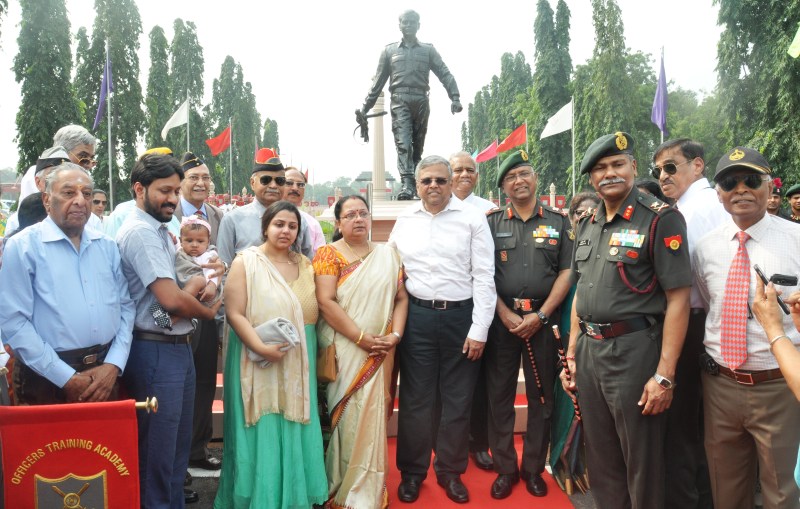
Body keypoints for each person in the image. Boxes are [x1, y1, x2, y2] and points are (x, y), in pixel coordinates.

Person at [561, 132, 692, 509]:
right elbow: (579, 291)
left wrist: (664, 374)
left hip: (633, 353)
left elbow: (678, 299)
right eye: (600, 169)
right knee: (601, 458)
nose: (610, 174)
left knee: (643, 461)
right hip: (588, 350)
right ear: (590, 179)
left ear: (633, 167)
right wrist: (571, 353)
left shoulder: (660, 219)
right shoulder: (586, 222)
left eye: (618, 164)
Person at [693, 146, 800, 509]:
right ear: (719, 193)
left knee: (781, 492)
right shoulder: (705, 248)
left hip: (779, 387)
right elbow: (711, 305)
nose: (740, 189)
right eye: (729, 182)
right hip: (721, 385)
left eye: (751, 180)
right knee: (726, 488)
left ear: (770, 188)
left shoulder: (796, 240)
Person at [117, 153, 223, 508]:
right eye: (165, 191)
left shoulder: (161, 230)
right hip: (156, 350)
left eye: (176, 191)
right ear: (139, 189)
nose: (174, 199)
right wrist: (206, 311)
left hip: (173, 344)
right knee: (157, 454)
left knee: (175, 450)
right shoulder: (141, 232)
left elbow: (167, 303)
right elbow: (169, 301)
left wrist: (190, 294)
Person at [389, 155, 496, 504]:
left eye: (439, 180)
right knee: (417, 399)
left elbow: (483, 276)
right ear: (417, 184)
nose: (433, 186)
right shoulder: (404, 221)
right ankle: (412, 473)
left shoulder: (472, 219)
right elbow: (391, 272)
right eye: (426, 180)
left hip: (460, 319)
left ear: (451, 183)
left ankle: (450, 472)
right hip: (417, 319)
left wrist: (479, 329)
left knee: (457, 400)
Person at [214, 201, 328, 509]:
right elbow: (235, 314)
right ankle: (258, 498)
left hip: (297, 355)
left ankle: (292, 497)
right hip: (254, 354)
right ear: (265, 227)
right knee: (261, 422)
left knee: (293, 419)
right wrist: (260, 347)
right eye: (279, 224)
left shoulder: (305, 264)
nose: (286, 231)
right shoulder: (246, 262)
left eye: (292, 226)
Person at [0, 162, 134, 405]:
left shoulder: (107, 246)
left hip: (104, 375)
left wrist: (114, 364)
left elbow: (126, 307)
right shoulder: (23, 247)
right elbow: (14, 322)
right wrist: (65, 377)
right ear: (47, 200)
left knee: (102, 444)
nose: (80, 201)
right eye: (69, 192)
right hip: (44, 378)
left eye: (87, 194)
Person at [484, 150, 573, 499]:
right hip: (501, 322)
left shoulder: (558, 221)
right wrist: (504, 314)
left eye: (524, 173)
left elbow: (567, 271)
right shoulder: (491, 223)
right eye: (511, 177)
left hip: (543, 322)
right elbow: (481, 274)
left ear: (535, 178)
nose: (518, 181)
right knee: (499, 396)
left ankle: (534, 468)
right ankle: (505, 468)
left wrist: (542, 315)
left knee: (541, 397)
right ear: (504, 186)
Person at [314, 195, 408, 508]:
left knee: (373, 415)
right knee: (348, 416)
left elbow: (400, 298)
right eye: (350, 215)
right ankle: (341, 487)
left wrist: (394, 335)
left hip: (382, 348)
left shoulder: (388, 254)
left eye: (363, 213)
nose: (358, 219)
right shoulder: (328, 253)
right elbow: (326, 302)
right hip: (346, 348)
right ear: (338, 223)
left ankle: (371, 484)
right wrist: (361, 338)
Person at [653, 138, 727, 508]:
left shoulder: (693, 211)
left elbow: (688, 283)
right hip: (707, 324)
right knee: (698, 425)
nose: (663, 176)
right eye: (658, 170)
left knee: (683, 427)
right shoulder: (696, 205)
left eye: (670, 166)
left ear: (697, 165)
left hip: (696, 323)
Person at [360, 10, 462, 200]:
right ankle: (407, 184)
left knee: (418, 144)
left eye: (412, 22)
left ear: (418, 25)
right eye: (405, 22)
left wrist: (454, 97)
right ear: (399, 25)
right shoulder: (389, 51)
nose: (408, 25)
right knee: (403, 142)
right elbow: (378, 83)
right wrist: (365, 107)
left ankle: (416, 181)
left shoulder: (428, 50)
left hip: (421, 99)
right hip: (400, 100)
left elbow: (444, 73)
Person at [174, 151, 226, 473]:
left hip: (208, 313)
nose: (201, 182)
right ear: (180, 182)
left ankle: (198, 449)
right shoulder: (167, 212)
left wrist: (221, 272)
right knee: (175, 384)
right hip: (171, 314)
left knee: (205, 381)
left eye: (205, 177)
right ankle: (175, 461)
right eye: (193, 177)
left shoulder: (219, 216)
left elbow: (227, 261)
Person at [447, 150, 495, 471]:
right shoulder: (434, 208)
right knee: (445, 383)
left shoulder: (489, 211)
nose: (465, 175)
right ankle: (449, 443)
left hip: (481, 309)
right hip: (447, 310)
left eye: (471, 170)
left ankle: (479, 444)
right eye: (458, 170)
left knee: (479, 383)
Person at [217, 148, 313, 265]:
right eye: (266, 180)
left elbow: (308, 263)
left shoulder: (298, 221)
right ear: (252, 183)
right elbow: (223, 268)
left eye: (279, 181)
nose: (273, 185)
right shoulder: (232, 220)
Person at [176, 217, 221, 305]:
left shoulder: (208, 256)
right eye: (189, 241)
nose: (194, 245)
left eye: (200, 241)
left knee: (198, 281)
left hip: (202, 292)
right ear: (181, 241)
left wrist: (212, 285)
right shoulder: (180, 252)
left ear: (208, 242)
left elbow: (212, 272)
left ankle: (175, 310)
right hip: (180, 287)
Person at [284, 166, 325, 256]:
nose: (295, 188)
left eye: (300, 185)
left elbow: (319, 259)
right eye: (289, 183)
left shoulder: (312, 224)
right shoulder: (265, 218)